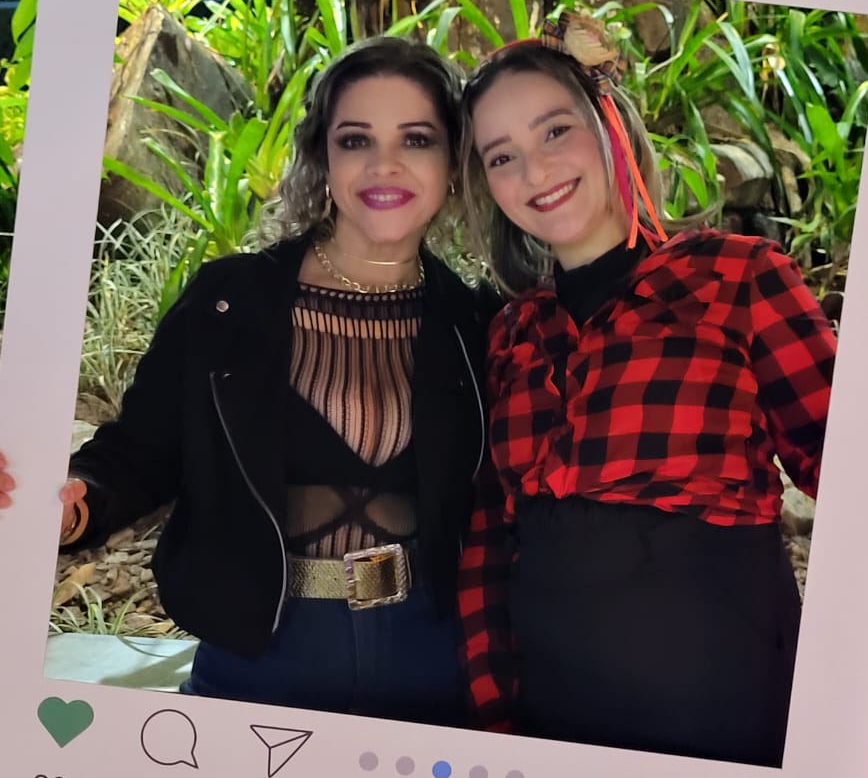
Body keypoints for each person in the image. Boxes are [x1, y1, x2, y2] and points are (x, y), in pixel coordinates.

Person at [456, 13, 868, 767]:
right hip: (554, 728)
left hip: (723, 715)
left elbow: (851, 472)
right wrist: (494, 722)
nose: (534, 170)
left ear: (610, 126)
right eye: (502, 156)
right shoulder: (511, 332)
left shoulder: (737, 276)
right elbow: (491, 545)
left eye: (555, 131)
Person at [0, 37, 496, 725]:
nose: (384, 164)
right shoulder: (229, 301)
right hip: (262, 652)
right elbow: (141, 452)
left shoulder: (479, 321)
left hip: (432, 654)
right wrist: (73, 505)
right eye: (356, 140)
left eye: (417, 139)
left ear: (453, 161)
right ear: (322, 155)